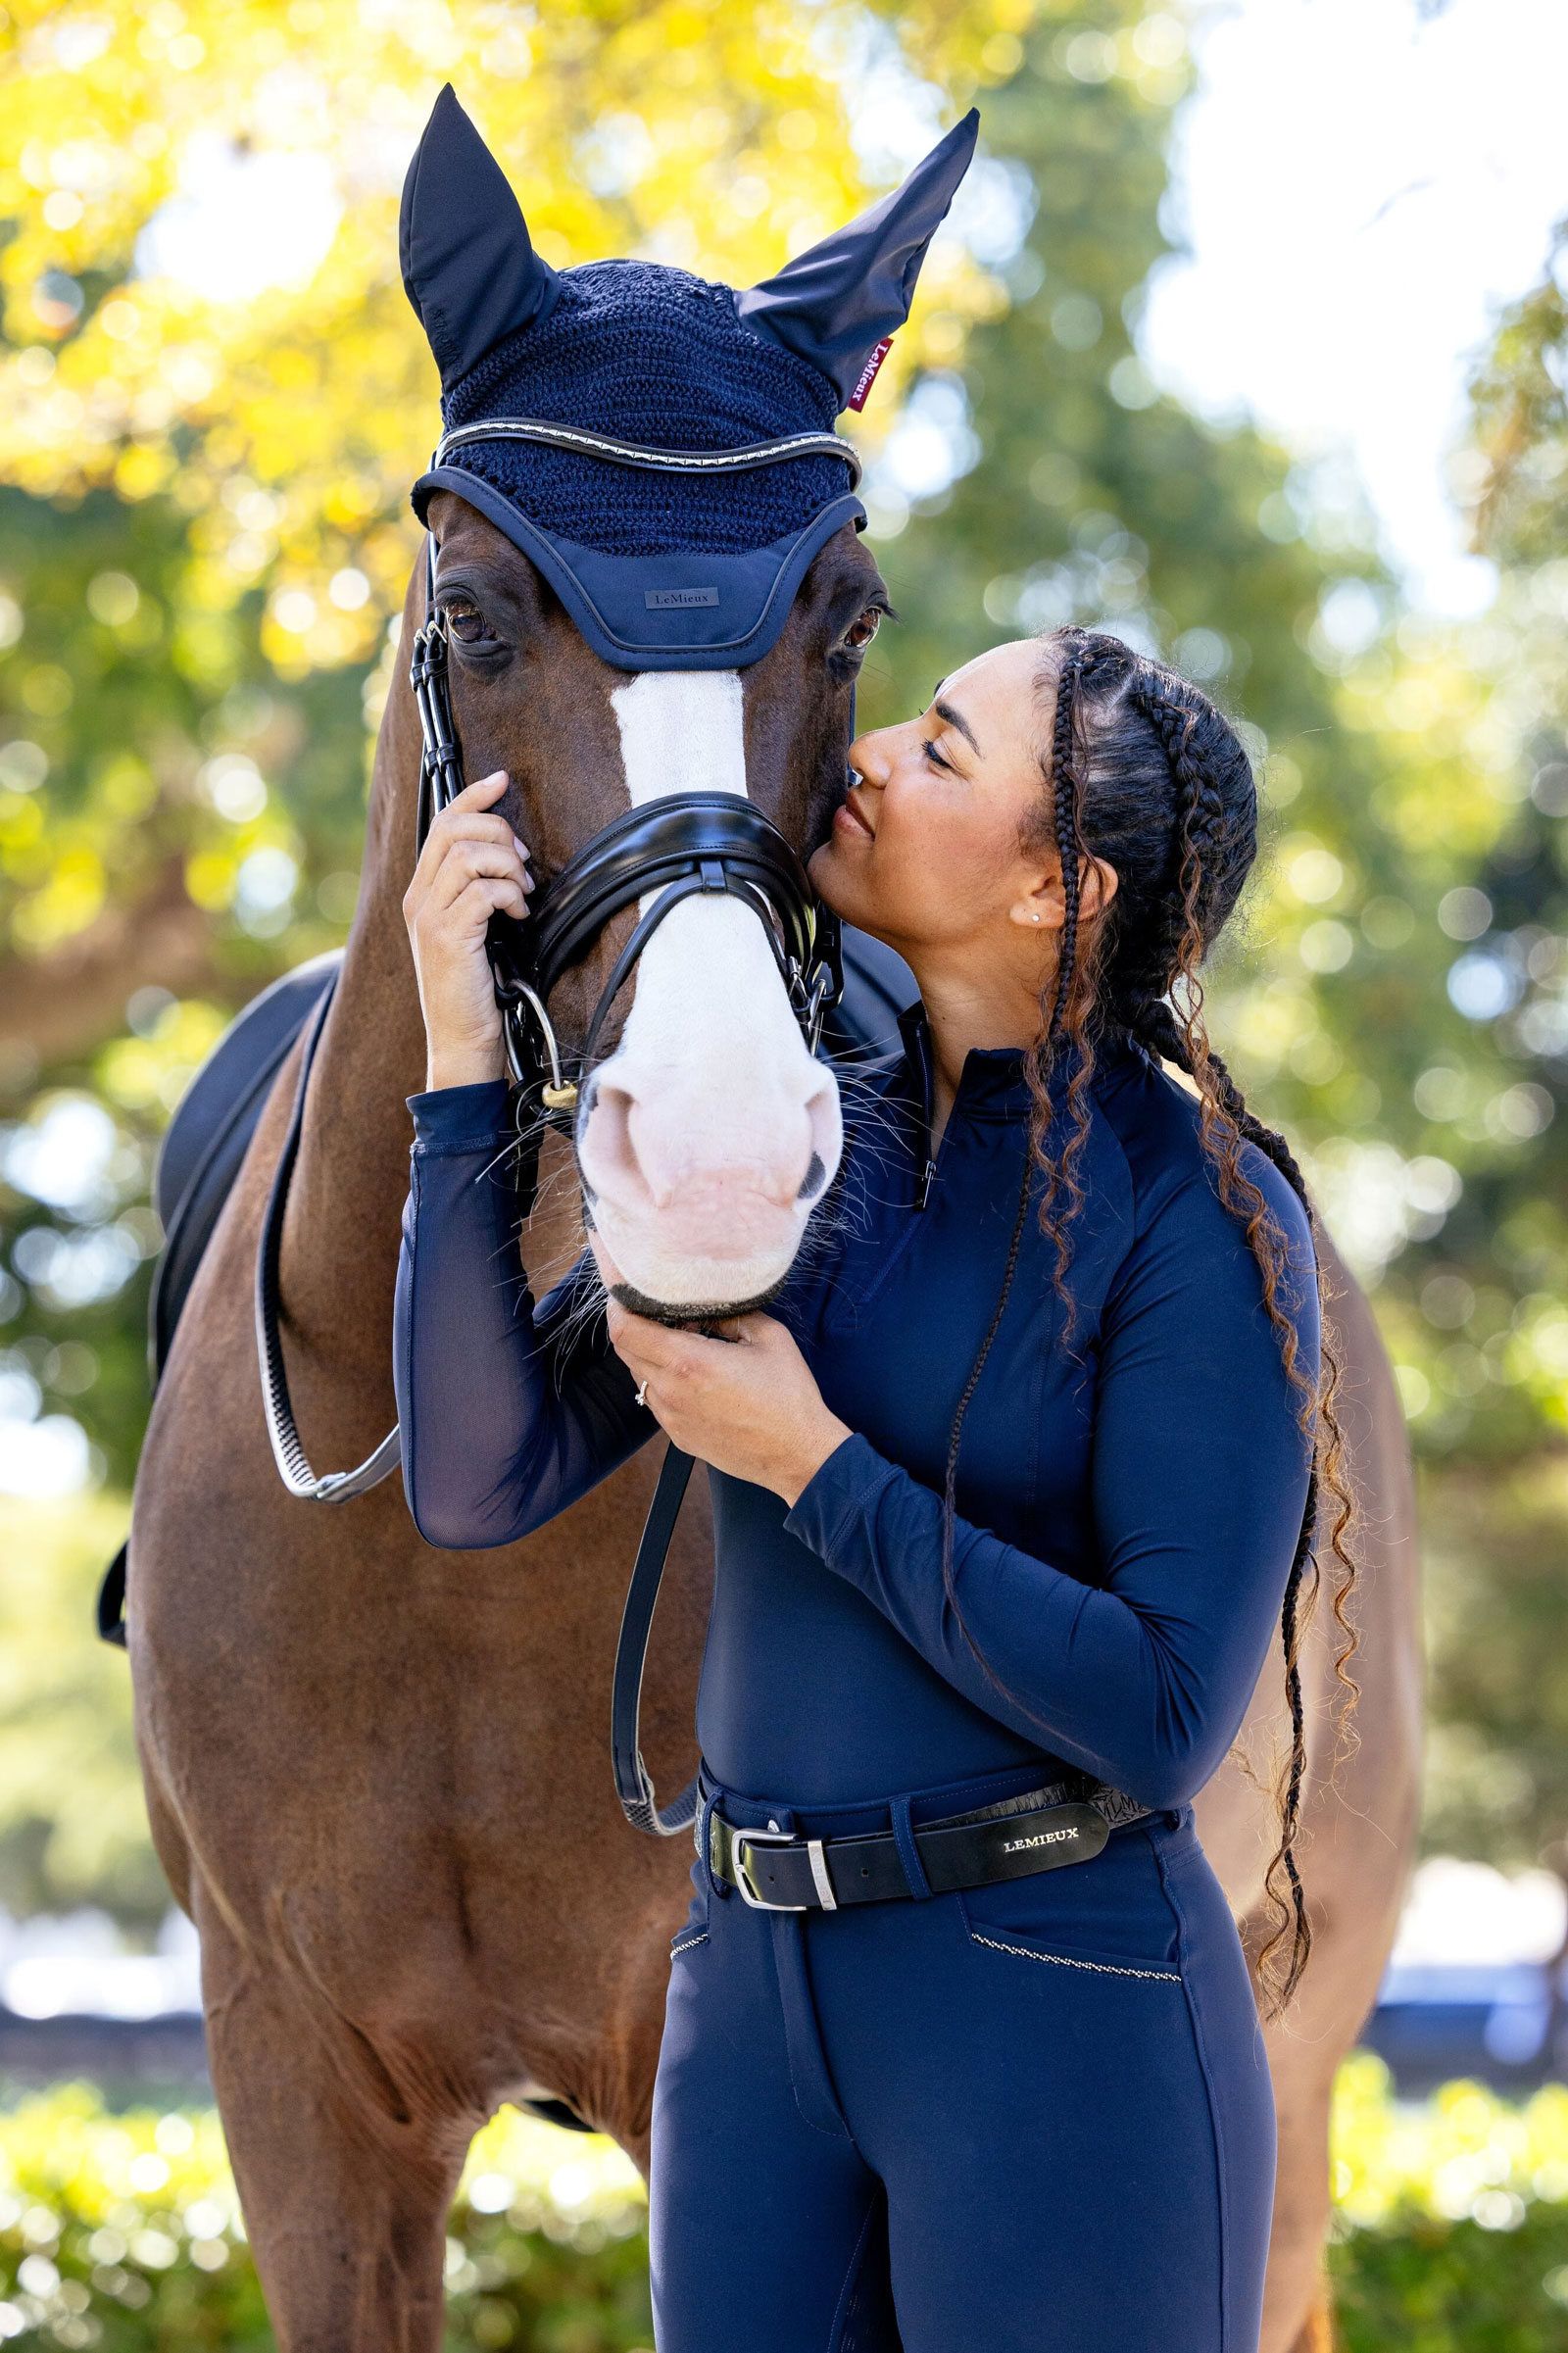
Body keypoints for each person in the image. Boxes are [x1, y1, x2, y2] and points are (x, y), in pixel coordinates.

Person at [395, 623, 1349, 2353]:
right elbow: (479, 1474)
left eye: (944, 749)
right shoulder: (792, 1147)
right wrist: (462, 1058)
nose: (870, 751)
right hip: (749, 2006)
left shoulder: (1196, 1208)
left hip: (1059, 2006)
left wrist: (812, 1467)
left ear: (1058, 887)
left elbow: (1161, 1709)